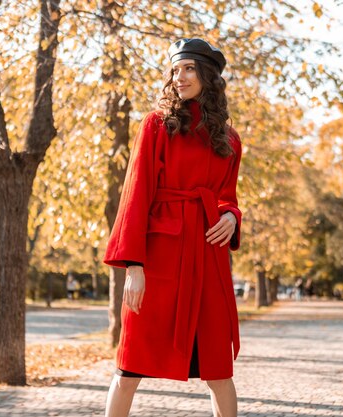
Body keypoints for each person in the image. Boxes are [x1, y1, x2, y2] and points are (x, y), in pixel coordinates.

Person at [102, 38, 243, 417]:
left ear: (207, 76)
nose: (179, 77)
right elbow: (135, 194)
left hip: (208, 260)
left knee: (218, 370)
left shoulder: (229, 139)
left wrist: (231, 216)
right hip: (159, 260)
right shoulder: (156, 125)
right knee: (129, 367)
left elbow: (227, 195)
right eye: (175, 70)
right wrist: (134, 266)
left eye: (188, 69)